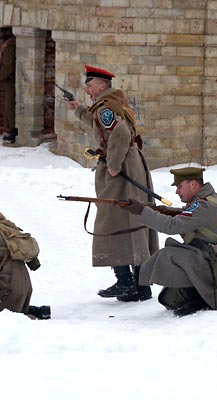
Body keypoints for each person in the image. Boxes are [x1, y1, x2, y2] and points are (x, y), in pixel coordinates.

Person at [66, 64, 159, 303]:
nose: (87, 90)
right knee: (132, 217)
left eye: (89, 85)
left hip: (122, 169)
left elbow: (119, 134)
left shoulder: (106, 107)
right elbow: (102, 126)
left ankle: (127, 282)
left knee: (113, 217)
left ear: (102, 85)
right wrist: (79, 110)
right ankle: (140, 284)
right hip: (129, 165)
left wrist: (114, 164)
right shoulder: (108, 105)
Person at [119, 167, 217, 316]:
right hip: (214, 263)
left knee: (169, 255)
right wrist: (162, 211)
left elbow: (171, 225)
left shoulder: (203, 206)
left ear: (193, 185)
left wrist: (142, 211)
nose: (177, 191)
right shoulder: (210, 199)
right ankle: (197, 297)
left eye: (180, 186)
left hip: (214, 268)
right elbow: (186, 216)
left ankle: (198, 300)